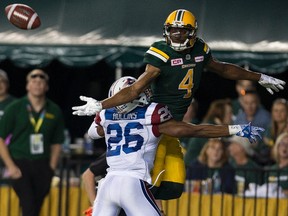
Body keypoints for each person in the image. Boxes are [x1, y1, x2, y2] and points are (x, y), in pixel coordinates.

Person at [72, 9, 285, 199]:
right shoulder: (160, 53)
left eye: (182, 31)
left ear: (193, 32)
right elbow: (136, 89)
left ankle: (124, 196)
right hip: (151, 125)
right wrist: (101, 105)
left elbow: (222, 68)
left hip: (171, 123)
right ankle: (113, 194)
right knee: (141, 183)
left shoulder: (200, 49)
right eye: (173, 30)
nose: (176, 34)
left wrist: (258, 77)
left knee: (173, 189)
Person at [84, 76, 263, 216]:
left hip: (108, 184)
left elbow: (93, 132)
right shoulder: (151, 114)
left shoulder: (106, 115)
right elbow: (196, 130)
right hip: (132, 182)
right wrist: (233, 129)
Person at [0, 69, 65, 216]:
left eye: (41, 82)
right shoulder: (15, 108)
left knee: (36, 206)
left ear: (46, 87)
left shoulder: (54, 110)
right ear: (27, 86)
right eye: (33, 81)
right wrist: (11, 166)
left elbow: (57, 142)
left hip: (43, 163)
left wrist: (52, 167)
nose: (37, 84)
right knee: (28, 205)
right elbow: (1, 138)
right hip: (20, 162)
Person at [184, 99, 233, 165]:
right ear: (220, 114)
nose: (232, 117)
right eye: (229, 113)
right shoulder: (210, 129)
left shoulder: (217, 127)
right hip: (193, 168)